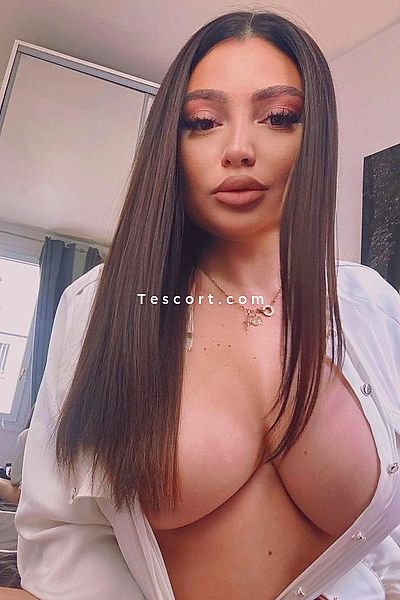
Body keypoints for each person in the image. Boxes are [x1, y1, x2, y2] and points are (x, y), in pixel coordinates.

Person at [15, 9, 400, 600]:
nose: (239, 148)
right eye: (203, 122)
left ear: (316, 135)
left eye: (279, 117)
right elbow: (60, 531)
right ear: (171, 143)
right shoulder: (101, 306)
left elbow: (383, 540)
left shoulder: (372, 305)